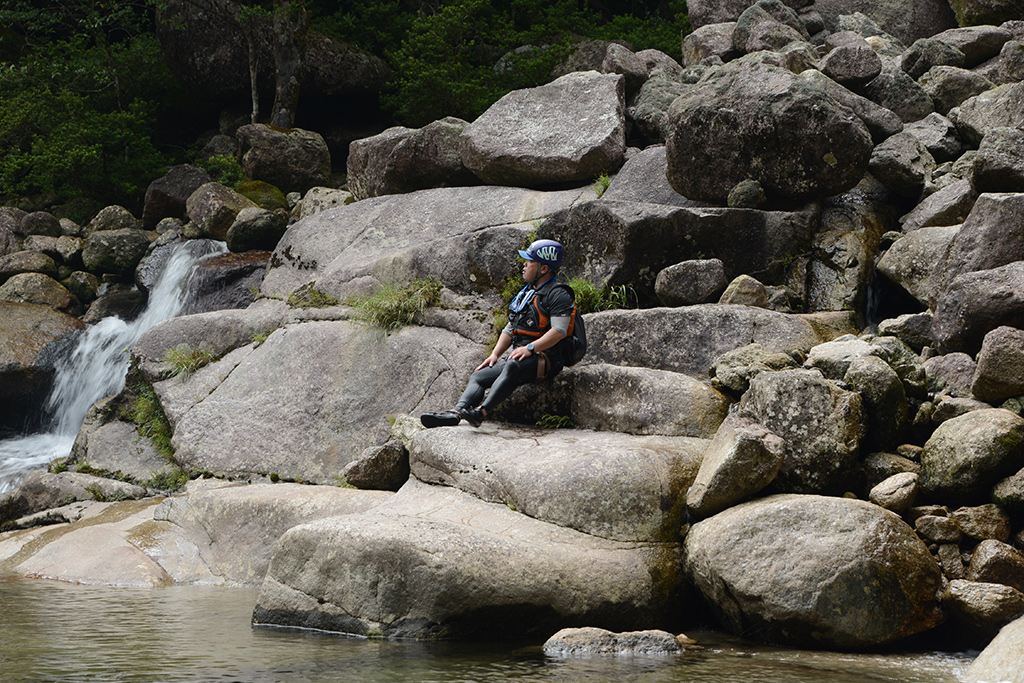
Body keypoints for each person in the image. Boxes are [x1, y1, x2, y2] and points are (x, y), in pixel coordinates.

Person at [421, 239, 576, 428]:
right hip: (520, 355)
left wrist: (530, 348)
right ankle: (456, 413)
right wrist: (495, 354)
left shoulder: (559, 294)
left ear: (543, 269)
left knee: (512, 364)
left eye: (529, 261)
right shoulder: (527, 294)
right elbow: (510, 328)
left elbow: (559, 331)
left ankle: (481, 412)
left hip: (547, 357)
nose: (524, 265)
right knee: (479, 376)